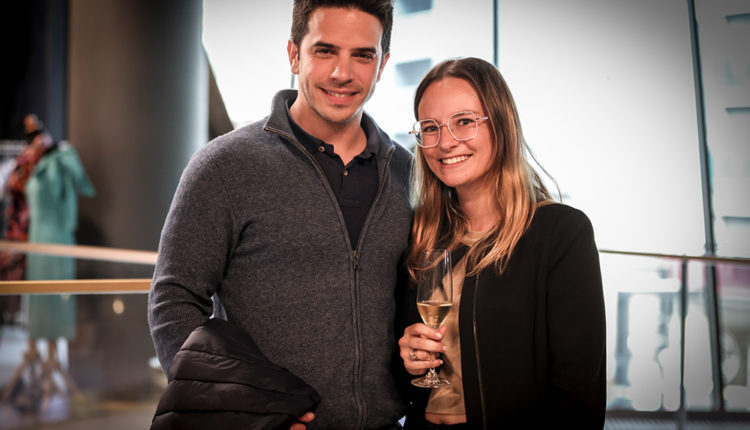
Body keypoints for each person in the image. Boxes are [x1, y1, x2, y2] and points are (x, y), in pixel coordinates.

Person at [148, 1, 412, 429]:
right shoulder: (225, 166)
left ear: (381, 65)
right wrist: (239, 413)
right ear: (294, 54)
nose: (342, 73)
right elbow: (173, 300)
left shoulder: (407, 172)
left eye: (363, 55)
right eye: (325, 51)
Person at [397, 57, 606, 429]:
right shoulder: (422, 234)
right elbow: (399, 385)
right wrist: (409, 360)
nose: (446, 142)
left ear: (501, 124)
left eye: (464, 121)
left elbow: (579, 397)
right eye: (430, 128)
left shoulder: (560, 233)